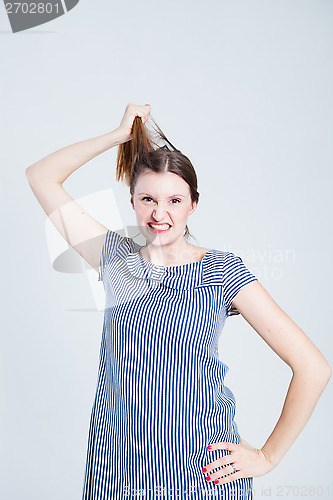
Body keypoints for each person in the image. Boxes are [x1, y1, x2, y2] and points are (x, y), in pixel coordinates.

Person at [26, 102, 332, 500]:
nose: (159, 212)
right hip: (116, 477)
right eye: (148, 199)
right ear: (132, 201)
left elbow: (313, 367)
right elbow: (41, 177)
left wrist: (267, 456)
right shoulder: (114, 259)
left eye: (174, 200)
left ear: (192, 204)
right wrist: (118, 137)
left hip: (203, 476)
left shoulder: (221, 271)